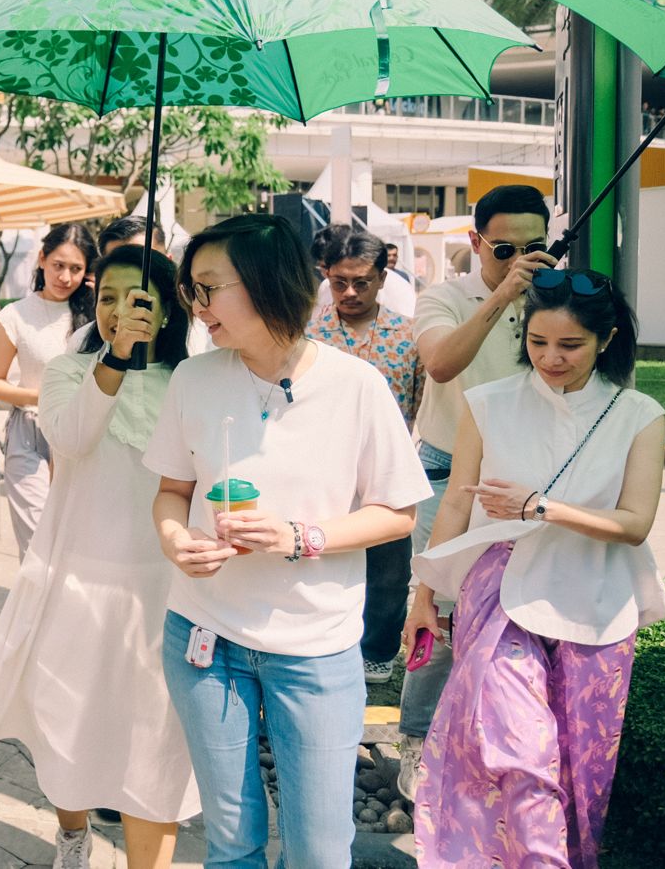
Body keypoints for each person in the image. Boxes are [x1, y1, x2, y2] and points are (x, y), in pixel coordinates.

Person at [146, 214, 430, 868]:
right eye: (192, 289)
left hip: (314, 647)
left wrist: (299, 536)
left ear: (268, 283)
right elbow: (171, 490)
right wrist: (173, 538)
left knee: (318, 852)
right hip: (204, 634)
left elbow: (397, 513)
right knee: (231, 844)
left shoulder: (356, 385)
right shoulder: (194, 378)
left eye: (209, 287)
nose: (196, 305)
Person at [406, 271, 665, 868]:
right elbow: (456, 506)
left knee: (581, 770)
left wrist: (541, 507)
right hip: (501, 591)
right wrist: (425, 596)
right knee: (520, 755)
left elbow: (635, 523)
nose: (551, 358)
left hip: (597, 599)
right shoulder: (488, 402)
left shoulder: (639, 414)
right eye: (537, 341)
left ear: (606, 339)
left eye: (570, 345)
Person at [0, 246, 198, 869]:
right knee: (69, 721)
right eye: (105, 297)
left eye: (134, 298)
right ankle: (72, 832)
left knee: (154, 742)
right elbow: (71, 436)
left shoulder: (192, 381)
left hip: (164, 588)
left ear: (167, 309)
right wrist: (114, 359)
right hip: (78, 577)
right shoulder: (68, 370)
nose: (116, 310)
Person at [396, 184, 555, 797]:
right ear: (477, 242)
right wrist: (504, 294)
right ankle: (416, 739)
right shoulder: (444, 296)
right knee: (435, 606)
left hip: (530, 470)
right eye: (505, 248)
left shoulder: (555, 296)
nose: (520, 259)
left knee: (522, 608)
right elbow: (441, 364)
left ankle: (495, 746)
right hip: (449, 469)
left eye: (535, 247)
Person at [306, 230, 425, 684]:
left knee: (390, 568)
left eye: (362, 282)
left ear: (382, 278)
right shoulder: (309, 334)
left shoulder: (408, 334)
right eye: (340, 282)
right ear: (327, 277)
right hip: (321, 469)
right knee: (323, 558)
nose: (350, 292)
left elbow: (419, 401)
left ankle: (377, 651)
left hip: (388, 468)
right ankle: (325, 643)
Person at [0, 223, 96, 556]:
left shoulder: (94, 317)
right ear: (42, 259)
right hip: (29, 433)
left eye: (75, 269)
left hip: (79, 436)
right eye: (58, 265)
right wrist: (45, 396)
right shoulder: (16, 315)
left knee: (73, 543)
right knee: (37, 545)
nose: (65, 277)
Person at [314, 224, 416, 317]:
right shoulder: (325, 287)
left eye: (361, 284)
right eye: (339, 283)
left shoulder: (398, 289)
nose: (350, 293)